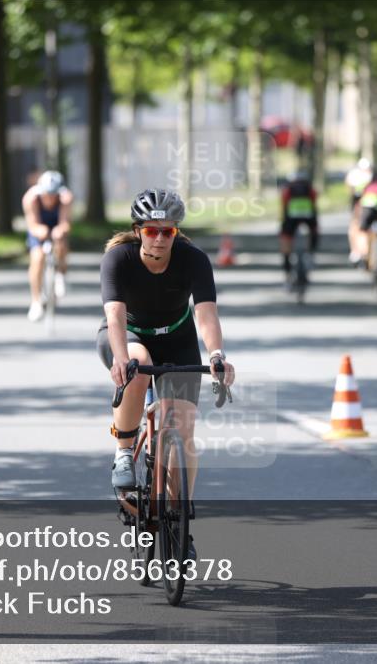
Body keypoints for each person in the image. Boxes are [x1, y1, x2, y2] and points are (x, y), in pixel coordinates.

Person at [98, 189, 235, 556]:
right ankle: (124, 451)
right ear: (137, 231)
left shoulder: (193, 259)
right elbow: (114, 314)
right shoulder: (118, 258)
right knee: (138, 363)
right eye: (151, 230)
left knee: (183, 430)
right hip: (127, 336)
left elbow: (206, 312)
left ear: (176, 232)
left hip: (177, 338)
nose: (159, 238)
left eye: (167, 231)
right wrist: (120, 358)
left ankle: (178, 518)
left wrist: (217, 354)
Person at [23, 170, 73, 322]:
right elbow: (32, 224)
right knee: (37, 258)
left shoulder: (66, 198)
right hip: (38, 227)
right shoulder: (30, 198)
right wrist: (40, 230)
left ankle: (60, 274)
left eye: (53, 195)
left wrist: (60, 230)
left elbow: (65, 223)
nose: (50, 198)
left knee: (61, 242)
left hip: (56, 225)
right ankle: (36, 301)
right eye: (46, 194)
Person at [279, 169, 319, 280]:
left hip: (291, 217)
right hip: (308, 217)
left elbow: (283, 205)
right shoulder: (310, 189)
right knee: (314, 231)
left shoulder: (287, 190)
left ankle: (287, 265)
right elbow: (314, 202)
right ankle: (311, 252)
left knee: (286, 238)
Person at [344, 157, 373, 267]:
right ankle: (361, 251)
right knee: (361, 228)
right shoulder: (372, 176)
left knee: (356, 227)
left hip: (359, 205)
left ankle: (356, 252)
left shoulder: (354, 175)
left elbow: (348, 186)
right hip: (368, 207)